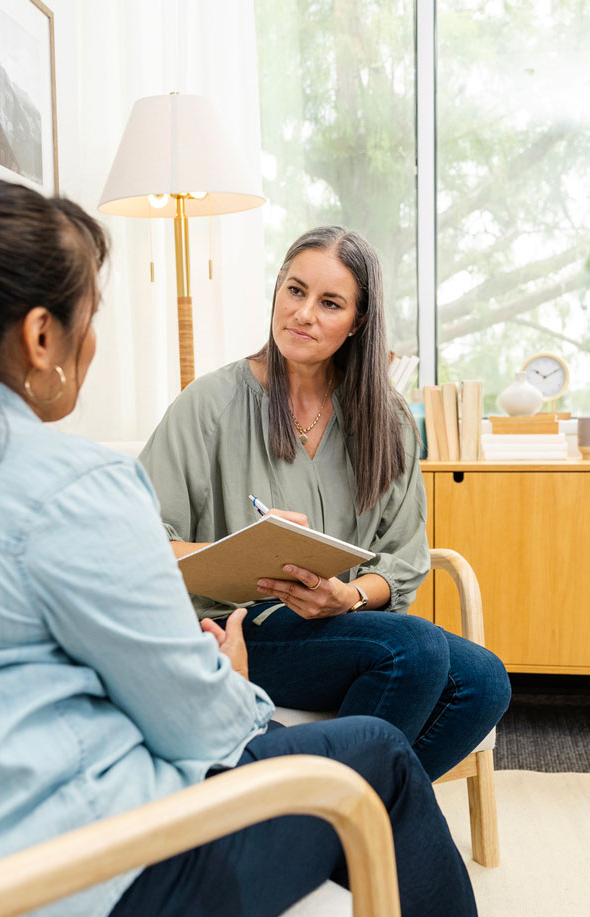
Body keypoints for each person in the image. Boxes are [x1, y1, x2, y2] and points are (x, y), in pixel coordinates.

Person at [0, 180, 495, 917]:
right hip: (93, 904)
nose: (93, 343)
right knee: (378, 760)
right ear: (42, 335)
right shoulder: (74, 484)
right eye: (92, 317)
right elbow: (207, 730)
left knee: (455, 677)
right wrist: (234, 677)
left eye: (330, 301)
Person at [139, 226, 510, 782]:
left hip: (345, 626)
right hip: (237, 628)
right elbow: (137, 541)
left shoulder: (388, 423)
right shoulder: (210, 404)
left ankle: (329, 821)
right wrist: (237, 552)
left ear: (358, 321)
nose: (303, 313)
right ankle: (347, 823)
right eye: (295, 291)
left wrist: (350, 596)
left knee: (485, 680)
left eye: (330, 303)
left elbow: (404, 558)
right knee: (416, 653)